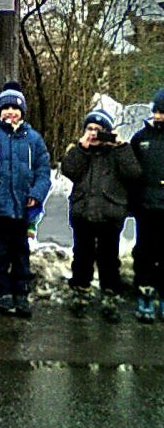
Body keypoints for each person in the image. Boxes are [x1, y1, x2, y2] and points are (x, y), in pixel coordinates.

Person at [0, 81, 50, 318]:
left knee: (21, 250)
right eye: (6, 108)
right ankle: (2, 289)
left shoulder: (33, 139)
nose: (10, 113)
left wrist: (36, 193)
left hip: (24, 205)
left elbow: (43, 170)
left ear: (22, 112)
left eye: (15, 109)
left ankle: (21, 289)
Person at [62, 108, 140, 322]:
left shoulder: (118, 152)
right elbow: (69, 170)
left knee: (108, 258)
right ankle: (80, 291)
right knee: (82, 256)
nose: (94, 134)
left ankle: (110, 294)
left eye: (99, 130)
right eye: (90, 129)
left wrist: (121, 146)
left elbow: (133, 173)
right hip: (83, 212)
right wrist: (81, 148)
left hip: (110, 214)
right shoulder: (80, 150)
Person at [130, 88, 164, 322]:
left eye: (162, 112)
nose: (158, 116)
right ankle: (144, 293)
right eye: (156, 111)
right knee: (144, 252)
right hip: (146, 208)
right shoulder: (141, 139)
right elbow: (131, 173)